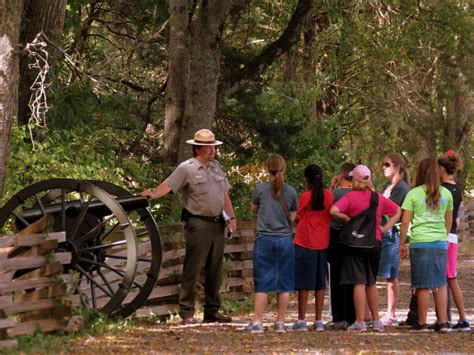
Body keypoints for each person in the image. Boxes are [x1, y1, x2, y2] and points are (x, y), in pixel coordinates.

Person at [140, 128, 237, 325]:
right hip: (198, 223)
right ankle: (187, 312)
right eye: (208, 147)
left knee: (214, 269)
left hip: (218, 223)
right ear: (198, 148)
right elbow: (168, 185)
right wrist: (153, 194)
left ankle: (212, 311)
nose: (212, 150)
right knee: (192, 267)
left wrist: (232, 216)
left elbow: (224, 194)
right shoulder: (187, 168)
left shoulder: (217, 167)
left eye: (213, 146)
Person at [330, 165, 401, 332]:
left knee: (358, 283)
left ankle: (360, 321)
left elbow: (333, 210)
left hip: (354, 243)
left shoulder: (350, 197)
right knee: (371, 282)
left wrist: (347, 218)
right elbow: (397, 211)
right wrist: (384, 228)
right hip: (374, 242)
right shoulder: (377, 198)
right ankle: (377, 321)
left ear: (354, 180)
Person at [243, 154, 297, 333]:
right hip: (284, 240)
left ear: (267, 168)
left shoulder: (260, 189)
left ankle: (257, 321)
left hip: (264, 239)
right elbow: (292, 217)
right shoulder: (291, 191)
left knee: (262, 281)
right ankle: (280, 322)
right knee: (284, 282)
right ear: (284, 168)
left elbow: (254, 210)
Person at [399, 158, 453, 332]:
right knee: (440, 282)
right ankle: (443, 322)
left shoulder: (413, 194)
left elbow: (405, 223)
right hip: (440, 243)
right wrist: (441, 237)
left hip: (420, 242)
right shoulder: (446, 194)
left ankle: (422, 323)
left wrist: (402, 244)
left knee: (422, 284)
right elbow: (448, 222)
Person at [288, 164, 334, 332]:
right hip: (322, 243)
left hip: (304, 242)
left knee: (303, 283)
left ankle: (301, 320)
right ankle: (319, 320)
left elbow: (297, 217)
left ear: (306, 179)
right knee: (320, 283)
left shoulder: (306, 196)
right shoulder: (329, 195)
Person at [438, 151, 471, 332]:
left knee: (447, 278)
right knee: (451, 277)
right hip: (453, 237)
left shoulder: (441, 189)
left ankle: (448, 319)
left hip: (443, 236)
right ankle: (459, 318)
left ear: (442, 168)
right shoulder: (457, 189)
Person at [378, 153, 409, 326]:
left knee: (391, 275)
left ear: (397, 166)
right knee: (386, 276)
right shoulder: (388, 185)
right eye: (383, 164)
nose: (383, 167)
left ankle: (391, 314)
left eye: (387, 164)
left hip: (392, 235)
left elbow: (393, 212)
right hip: (384, 234)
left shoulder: (401, 188)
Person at [327, 162, 356, 330]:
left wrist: (332, 185)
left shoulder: (333, 194)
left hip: (335, 237)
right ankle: (351, 316)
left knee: (336, 276)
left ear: (340, 175)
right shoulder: (360, 193)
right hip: (354, 237)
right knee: (352, 276)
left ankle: (337, 316)